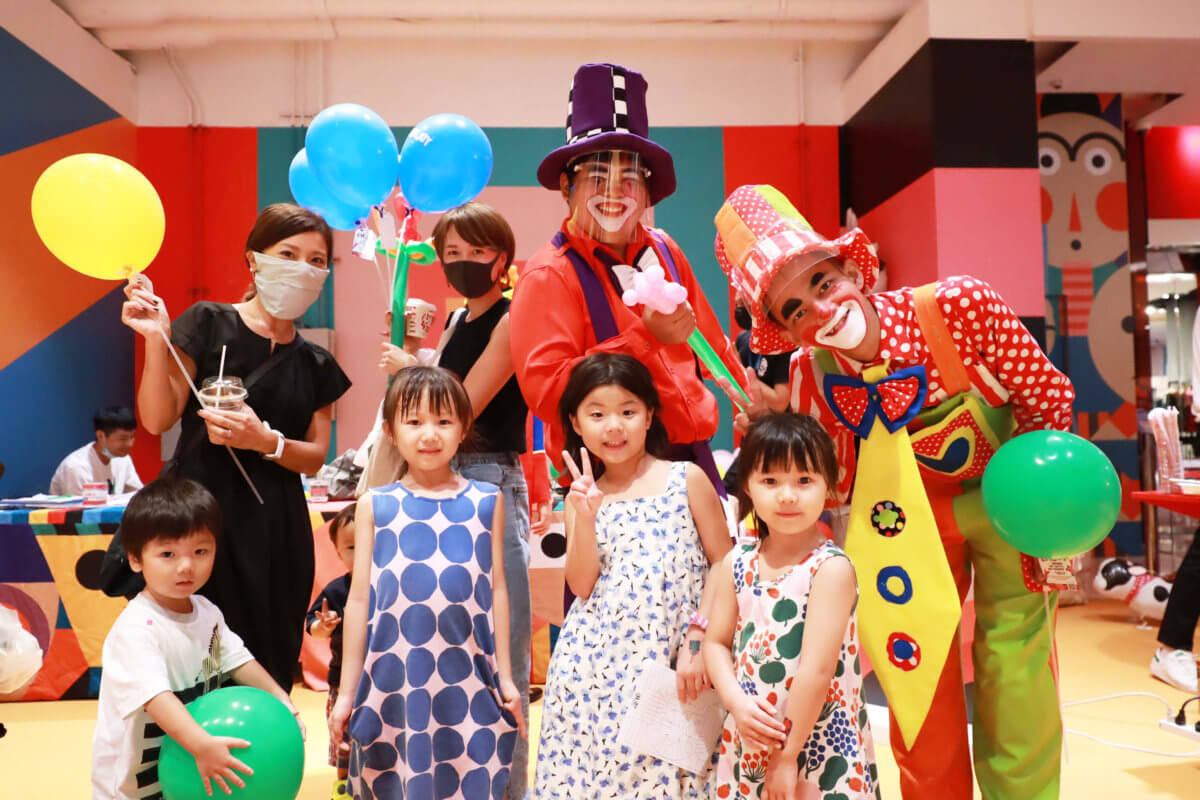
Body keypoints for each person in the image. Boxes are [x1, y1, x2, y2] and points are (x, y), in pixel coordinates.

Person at [714, 184, 1074, 800]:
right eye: (796, 310)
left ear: (854, 269)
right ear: (790, 333)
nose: (821, 310)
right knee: (915, 680)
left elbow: (1049, 403)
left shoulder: (960, 307)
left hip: (1011, 506)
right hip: (905, 527)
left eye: (823, 283)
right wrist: (779, 432)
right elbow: (834, 488)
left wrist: (1048, 522)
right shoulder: (809, 375)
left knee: (1017, 673)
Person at [120, 203, 352, 691]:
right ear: (253, 260)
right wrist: (156, 340)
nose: (303, 268)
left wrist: (265, 441)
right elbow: (158, 418)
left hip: (276, 526)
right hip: (200, 518)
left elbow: (316, 455)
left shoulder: (316, 363)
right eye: (288, 254)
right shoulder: (208, 323)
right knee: (193, 656)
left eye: (316, 260)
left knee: (268, 651)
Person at [510, 62, 744, 494]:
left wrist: (749, 395)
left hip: (693, 462)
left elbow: (710, 343)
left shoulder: (665, 248)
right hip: (608, 477)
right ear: (566, 186)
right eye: (597, 176)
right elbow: (550, 392)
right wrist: (644, 337)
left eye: (630, 177)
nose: (614, 193)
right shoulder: (548, 274)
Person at [532, 353, 732, 799]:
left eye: (627, 411)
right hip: (590, 677)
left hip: (675, 664)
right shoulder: (580, 497)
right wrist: (584, 517)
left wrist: (699, 639)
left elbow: (724, 561)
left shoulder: (685, 479)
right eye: (597, 414)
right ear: (576, 423)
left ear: (649, 415)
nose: (614, 427)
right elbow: (581, 586)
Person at [330, 366, 526, 800]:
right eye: (414, 421)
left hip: (468, 678)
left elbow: (496, 590)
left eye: (443, 421)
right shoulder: (375, 505)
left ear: (463, 428)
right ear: (390, 431)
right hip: (393, 683)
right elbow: (359, 600)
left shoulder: (486, 501)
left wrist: (506, 678)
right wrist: (347, 694)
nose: (429, 434)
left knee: (471, 779)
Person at [91, 477, 302, 800]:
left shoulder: (206, 611)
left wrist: (281, 699)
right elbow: (157, 699)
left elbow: (238, 661)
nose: (186, 566)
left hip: (189, 773)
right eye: (168, 554)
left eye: (200, 551)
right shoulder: (136, 629)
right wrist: (202, 745)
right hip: (134, 787)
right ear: (135, 559)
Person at [705, 413, 879, 800]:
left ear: (828, 485)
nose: (787, 495)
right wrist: (736, 702)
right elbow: (716, 642)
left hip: (815, 745)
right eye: (770, 481)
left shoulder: (829, 568)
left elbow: (817, 670)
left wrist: (787, 758)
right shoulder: (738, 560)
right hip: (748, 738)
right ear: (748, 485)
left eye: (804, 480)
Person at [430, 201, 533, 800]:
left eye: (477, 251)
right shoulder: (453, 322)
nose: (464, 261)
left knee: (503, 658)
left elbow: (459, 408)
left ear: (503, 258)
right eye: (452, 253)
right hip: (439, 480)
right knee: (446, 648)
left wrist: (410, 378)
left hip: (489, 478)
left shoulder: (513, 317)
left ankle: (509, 790)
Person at [305, 504, 358, 799]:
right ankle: (343, 788)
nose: (361, 553)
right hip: (343, 682)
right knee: (344, 744)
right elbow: (312, 626)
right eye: (351, 547)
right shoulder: (337, 591)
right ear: (338, 553)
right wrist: (323, 626)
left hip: (386, 681)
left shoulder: (393, 585)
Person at [49, 406, 143, 496]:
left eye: (132, 437)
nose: (130, 444)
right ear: (101, 436)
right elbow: (78, 507)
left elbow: (138, 497)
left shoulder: (123, 460)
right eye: (123, 439)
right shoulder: (76, 467)